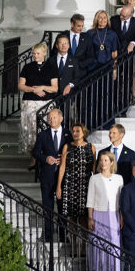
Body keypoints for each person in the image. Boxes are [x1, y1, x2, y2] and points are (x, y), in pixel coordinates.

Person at [56, 121, 95, 256]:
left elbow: (94, 170)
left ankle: (84, 246)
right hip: (70, 185)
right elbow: (62, 167)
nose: (75, 133)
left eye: (77, 131)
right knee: (72, 219)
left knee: (84, 219)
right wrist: (59, 186)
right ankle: (73, 246)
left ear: (83, 132)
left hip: (86, 186)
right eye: (73, 131)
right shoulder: (67, 146)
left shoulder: (91, 147)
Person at [86, 152, 125, 271]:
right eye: (101, 160)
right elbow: (90, 199)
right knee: (99, 244)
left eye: (106, 160)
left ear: (112, 162)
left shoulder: (119, 178)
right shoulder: (94, 178)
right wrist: (90, 218)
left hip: (114, 214)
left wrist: (121, 217)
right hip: (99, 213)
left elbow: (121, 200)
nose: (103, 163)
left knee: (114, 244)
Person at [32, 108, 68, 242]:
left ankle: (63, 236)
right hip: (47, 176)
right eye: (49, 118)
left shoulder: (67, 134)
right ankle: (47, 236)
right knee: (47, 208)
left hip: (63, 178)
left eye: (54, 117)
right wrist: (46, 158)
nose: (51, 120)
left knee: (62, 209)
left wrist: (64, 157)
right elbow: (35, 152)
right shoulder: (43, 135)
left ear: (61, 119)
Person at [18, 42, 57, 155]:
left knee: (44, 128)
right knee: (30, 129)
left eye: (38, 53)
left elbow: (55, 88)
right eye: (34, 54)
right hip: (29, 102)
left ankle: (44, 153)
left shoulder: (51, 67)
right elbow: (20, 85)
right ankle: (33, 156)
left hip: (45, 103)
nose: (35, 56)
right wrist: (33, 90)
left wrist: (43, 87)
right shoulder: (27, 67)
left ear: (44, 53)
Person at [82, 10, 118, 128]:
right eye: (100, 18)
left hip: (107, 68)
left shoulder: (112, 34)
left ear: (107, 20)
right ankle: (92, 124)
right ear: (96, 19)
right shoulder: (90, 33)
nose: (102, 20)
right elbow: (86, 52)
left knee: (106, 95)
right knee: (92, 96)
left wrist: (114, 69)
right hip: (92, 69)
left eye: (105, 18)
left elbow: (114, 54)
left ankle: (106, 124)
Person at [110, 5, 135, 102]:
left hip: (129, 55)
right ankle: (115, 100)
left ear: (131, 15)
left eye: (124, 16)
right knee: (115, 78)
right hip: (116, 54)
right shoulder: (113, 20)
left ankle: (126, 100)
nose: (121, 17)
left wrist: (132, 43)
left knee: (128, 78)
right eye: (121, 14)